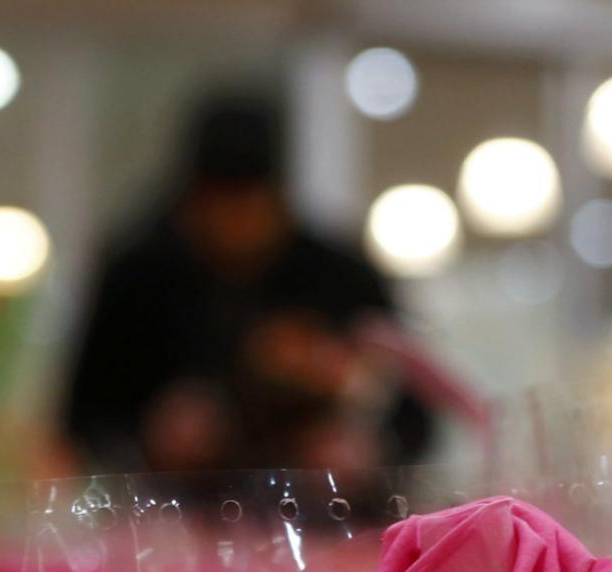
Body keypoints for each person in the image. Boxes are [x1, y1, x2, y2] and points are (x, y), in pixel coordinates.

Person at [63, 92, 435, 477]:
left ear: (279, 198)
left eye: (247, 205)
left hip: (331, 519)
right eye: (217, 205)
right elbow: (84, 417)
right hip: (166, 523)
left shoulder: (343, 276)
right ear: (189, 200)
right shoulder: (137, 275)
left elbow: (416, 415)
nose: (232, 226)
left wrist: (368, 446)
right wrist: (147, 438)